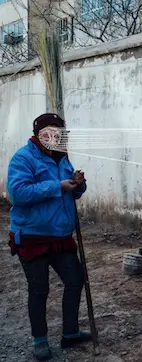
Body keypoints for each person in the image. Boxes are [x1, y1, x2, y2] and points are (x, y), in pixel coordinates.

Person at [7, 113, 91, 361]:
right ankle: (40, 340)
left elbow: (72, 193)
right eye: (49, 132)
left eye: (59, 132)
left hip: (61, 235)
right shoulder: (23, 158)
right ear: (38, 134)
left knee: (75, 280)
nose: (54, 137)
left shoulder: (62, 157)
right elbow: (19, 193)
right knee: (39, 288)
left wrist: (78, 184)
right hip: (33, 235)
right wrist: (58, 186)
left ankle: (70, 332)